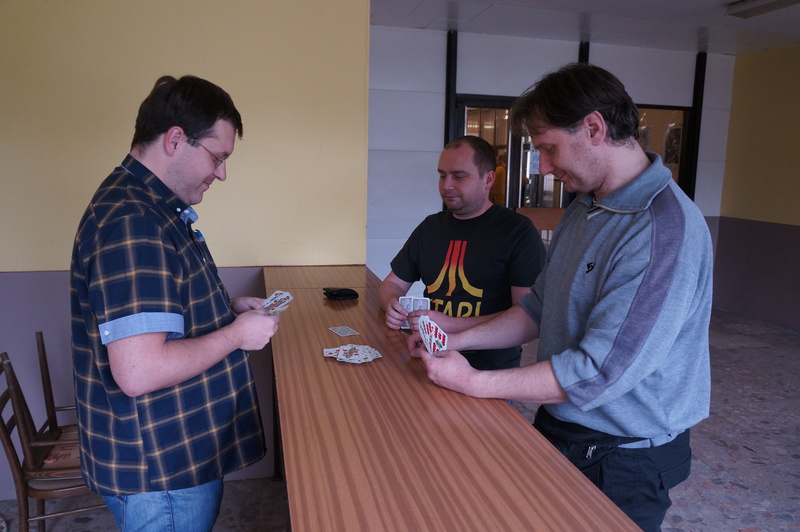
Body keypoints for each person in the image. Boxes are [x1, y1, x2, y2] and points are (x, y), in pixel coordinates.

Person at [408, 63, 713, 532]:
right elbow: (537, 308)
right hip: (563, 423)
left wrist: (474, 382)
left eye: (549, 148)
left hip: (624, 456)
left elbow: (601, 371)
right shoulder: (585, 207)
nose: (545, 167)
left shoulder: (661, 230)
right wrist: (456, 337)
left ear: (593, 128)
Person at [70, 75, 279, 531]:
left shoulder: (149, 207)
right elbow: (140, 370)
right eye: (218, 157)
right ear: (176, 140)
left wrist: (227, 309)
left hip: (171, 458)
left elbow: (161, 308)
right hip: (161, 471)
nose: (221, 173)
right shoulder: (133, 221)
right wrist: (236, 336)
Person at [380, 135, 546, 370]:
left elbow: (527, 318)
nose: (446, 185)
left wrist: (451, 324)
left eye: (459, 176)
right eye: (442, 175)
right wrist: (392, 304)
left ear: (488, 179)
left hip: (490, 373)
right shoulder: (430, 227)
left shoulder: (518, 232)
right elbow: (392, 284)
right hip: (429, 359)